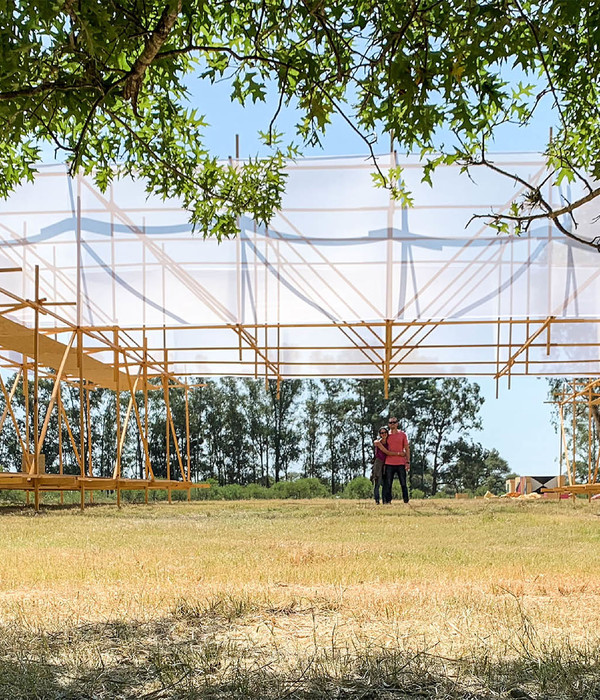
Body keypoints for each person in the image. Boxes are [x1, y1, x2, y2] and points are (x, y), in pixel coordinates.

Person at [376, 416, 410, 504]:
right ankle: (388, 501)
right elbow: (379, 441)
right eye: (390, 423)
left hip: (401, 463)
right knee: (388, 484)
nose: (392, 424)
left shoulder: (402, 434)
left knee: (403, 483)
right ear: (388, 424)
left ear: (397, 424)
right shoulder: (387, 435)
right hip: (389, 463)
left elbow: (407, 448)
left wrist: (407, 461)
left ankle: (406, 500)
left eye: (394, 422)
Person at [370, 427, 388, 504]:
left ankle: (385, 500)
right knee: (378, 482)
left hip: (387, 463)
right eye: (382, 433)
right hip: (379, 463)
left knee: (386, 483)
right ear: (380, 434)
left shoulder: (389, 443)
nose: (383, 434)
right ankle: (377, 500)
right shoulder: (378, 442)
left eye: (385, 432)